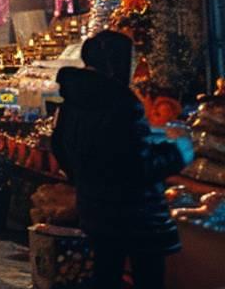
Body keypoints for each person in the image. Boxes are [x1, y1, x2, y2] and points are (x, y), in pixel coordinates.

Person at [53, 30, 193, 289]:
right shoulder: (120, 104)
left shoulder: (73, 101)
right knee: (147, 278)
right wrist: (179, 152)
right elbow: (137, 166)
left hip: (95, 208)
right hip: (135, 215)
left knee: (106, 273)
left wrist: (87, 180)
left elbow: (61, 148)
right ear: (116, 63)